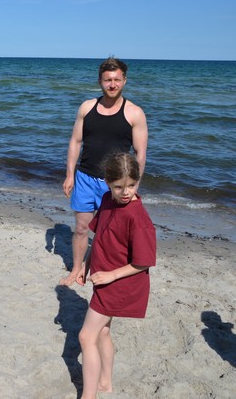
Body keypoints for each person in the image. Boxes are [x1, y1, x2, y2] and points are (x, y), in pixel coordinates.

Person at [61, 57, 148, 286]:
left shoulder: (134, 113)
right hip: (84, 177)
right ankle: (77, 270)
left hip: (114, 185)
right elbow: (75, 142)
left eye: (117, 80)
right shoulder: (87, 107)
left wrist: (134, 186)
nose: (112, 85)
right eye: (108, 80)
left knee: (108, 232)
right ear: (99, 81)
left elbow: (140, 154)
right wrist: (70, 175)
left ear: (124, 81)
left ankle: (103, 269)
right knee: (81, 228)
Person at [76, 153, 156, 399]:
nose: (125, 192)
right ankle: (105, 383)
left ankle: (89, 396)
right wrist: (85, 265)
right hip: (103, 277)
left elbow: (143, 262)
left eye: (131, 185)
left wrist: (111, 275)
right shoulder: (107, 200)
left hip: (119, 283)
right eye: (119, 186)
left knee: (85, 336)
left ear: (137, 181)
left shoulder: (137, 216)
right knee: (102, 332)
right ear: (107, 182)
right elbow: (99, 236)